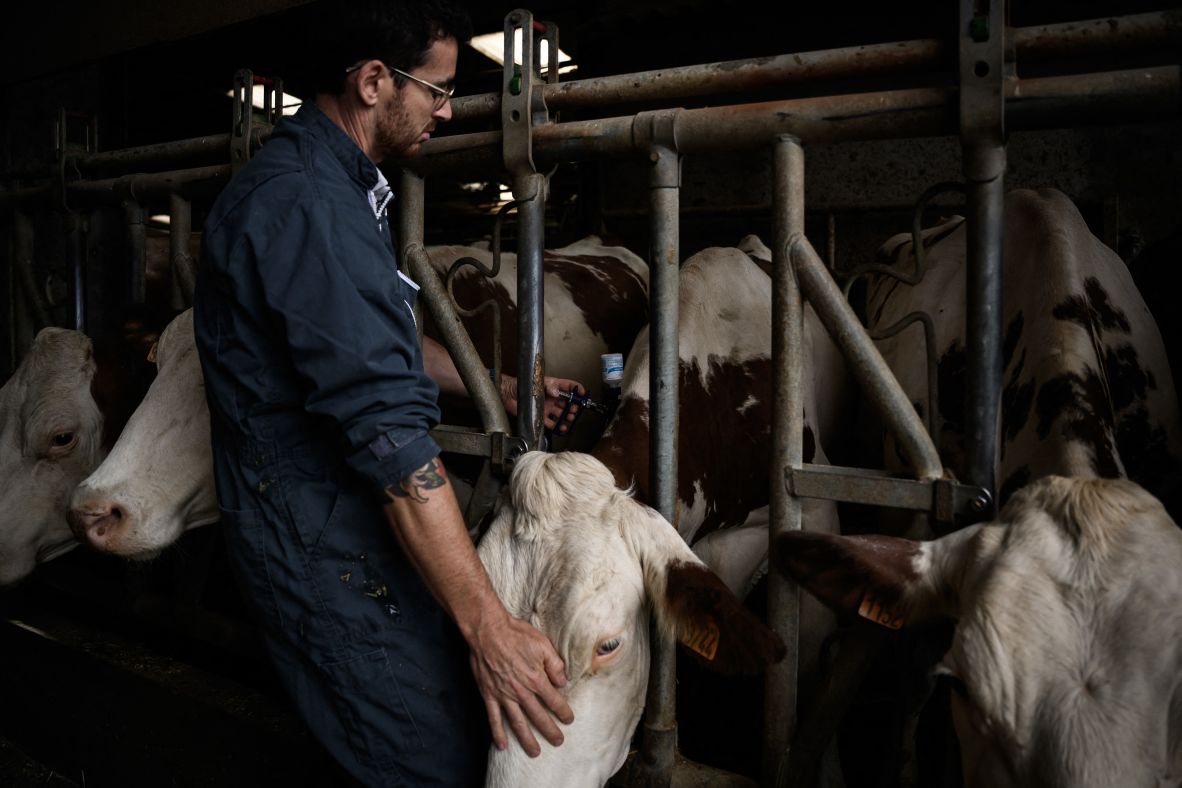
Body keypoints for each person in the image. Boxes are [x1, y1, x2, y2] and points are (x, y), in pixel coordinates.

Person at [192, 1, 580, 784]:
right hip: (320, 543)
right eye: (436, 90)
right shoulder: (311, 206)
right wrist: (489, 629)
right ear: (373, 82)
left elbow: (370, 344)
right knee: (424, 757)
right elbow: (393, 444)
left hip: (345, 524)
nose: (446, 108)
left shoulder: (334, 188)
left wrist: (499, 388)